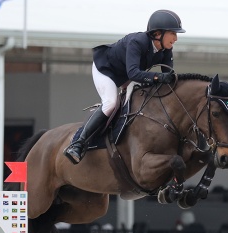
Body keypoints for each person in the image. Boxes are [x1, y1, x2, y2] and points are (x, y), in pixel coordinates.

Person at [63, 10, 185, 164]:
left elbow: (168, 77)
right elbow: (134, 73)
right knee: (110, 103)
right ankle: (78, 143)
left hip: (126, 75)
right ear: (158, 33)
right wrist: (158, 77)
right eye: (173, 33)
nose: (176, 38)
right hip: (106, 70)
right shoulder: (138, 42)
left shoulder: (166, 50)